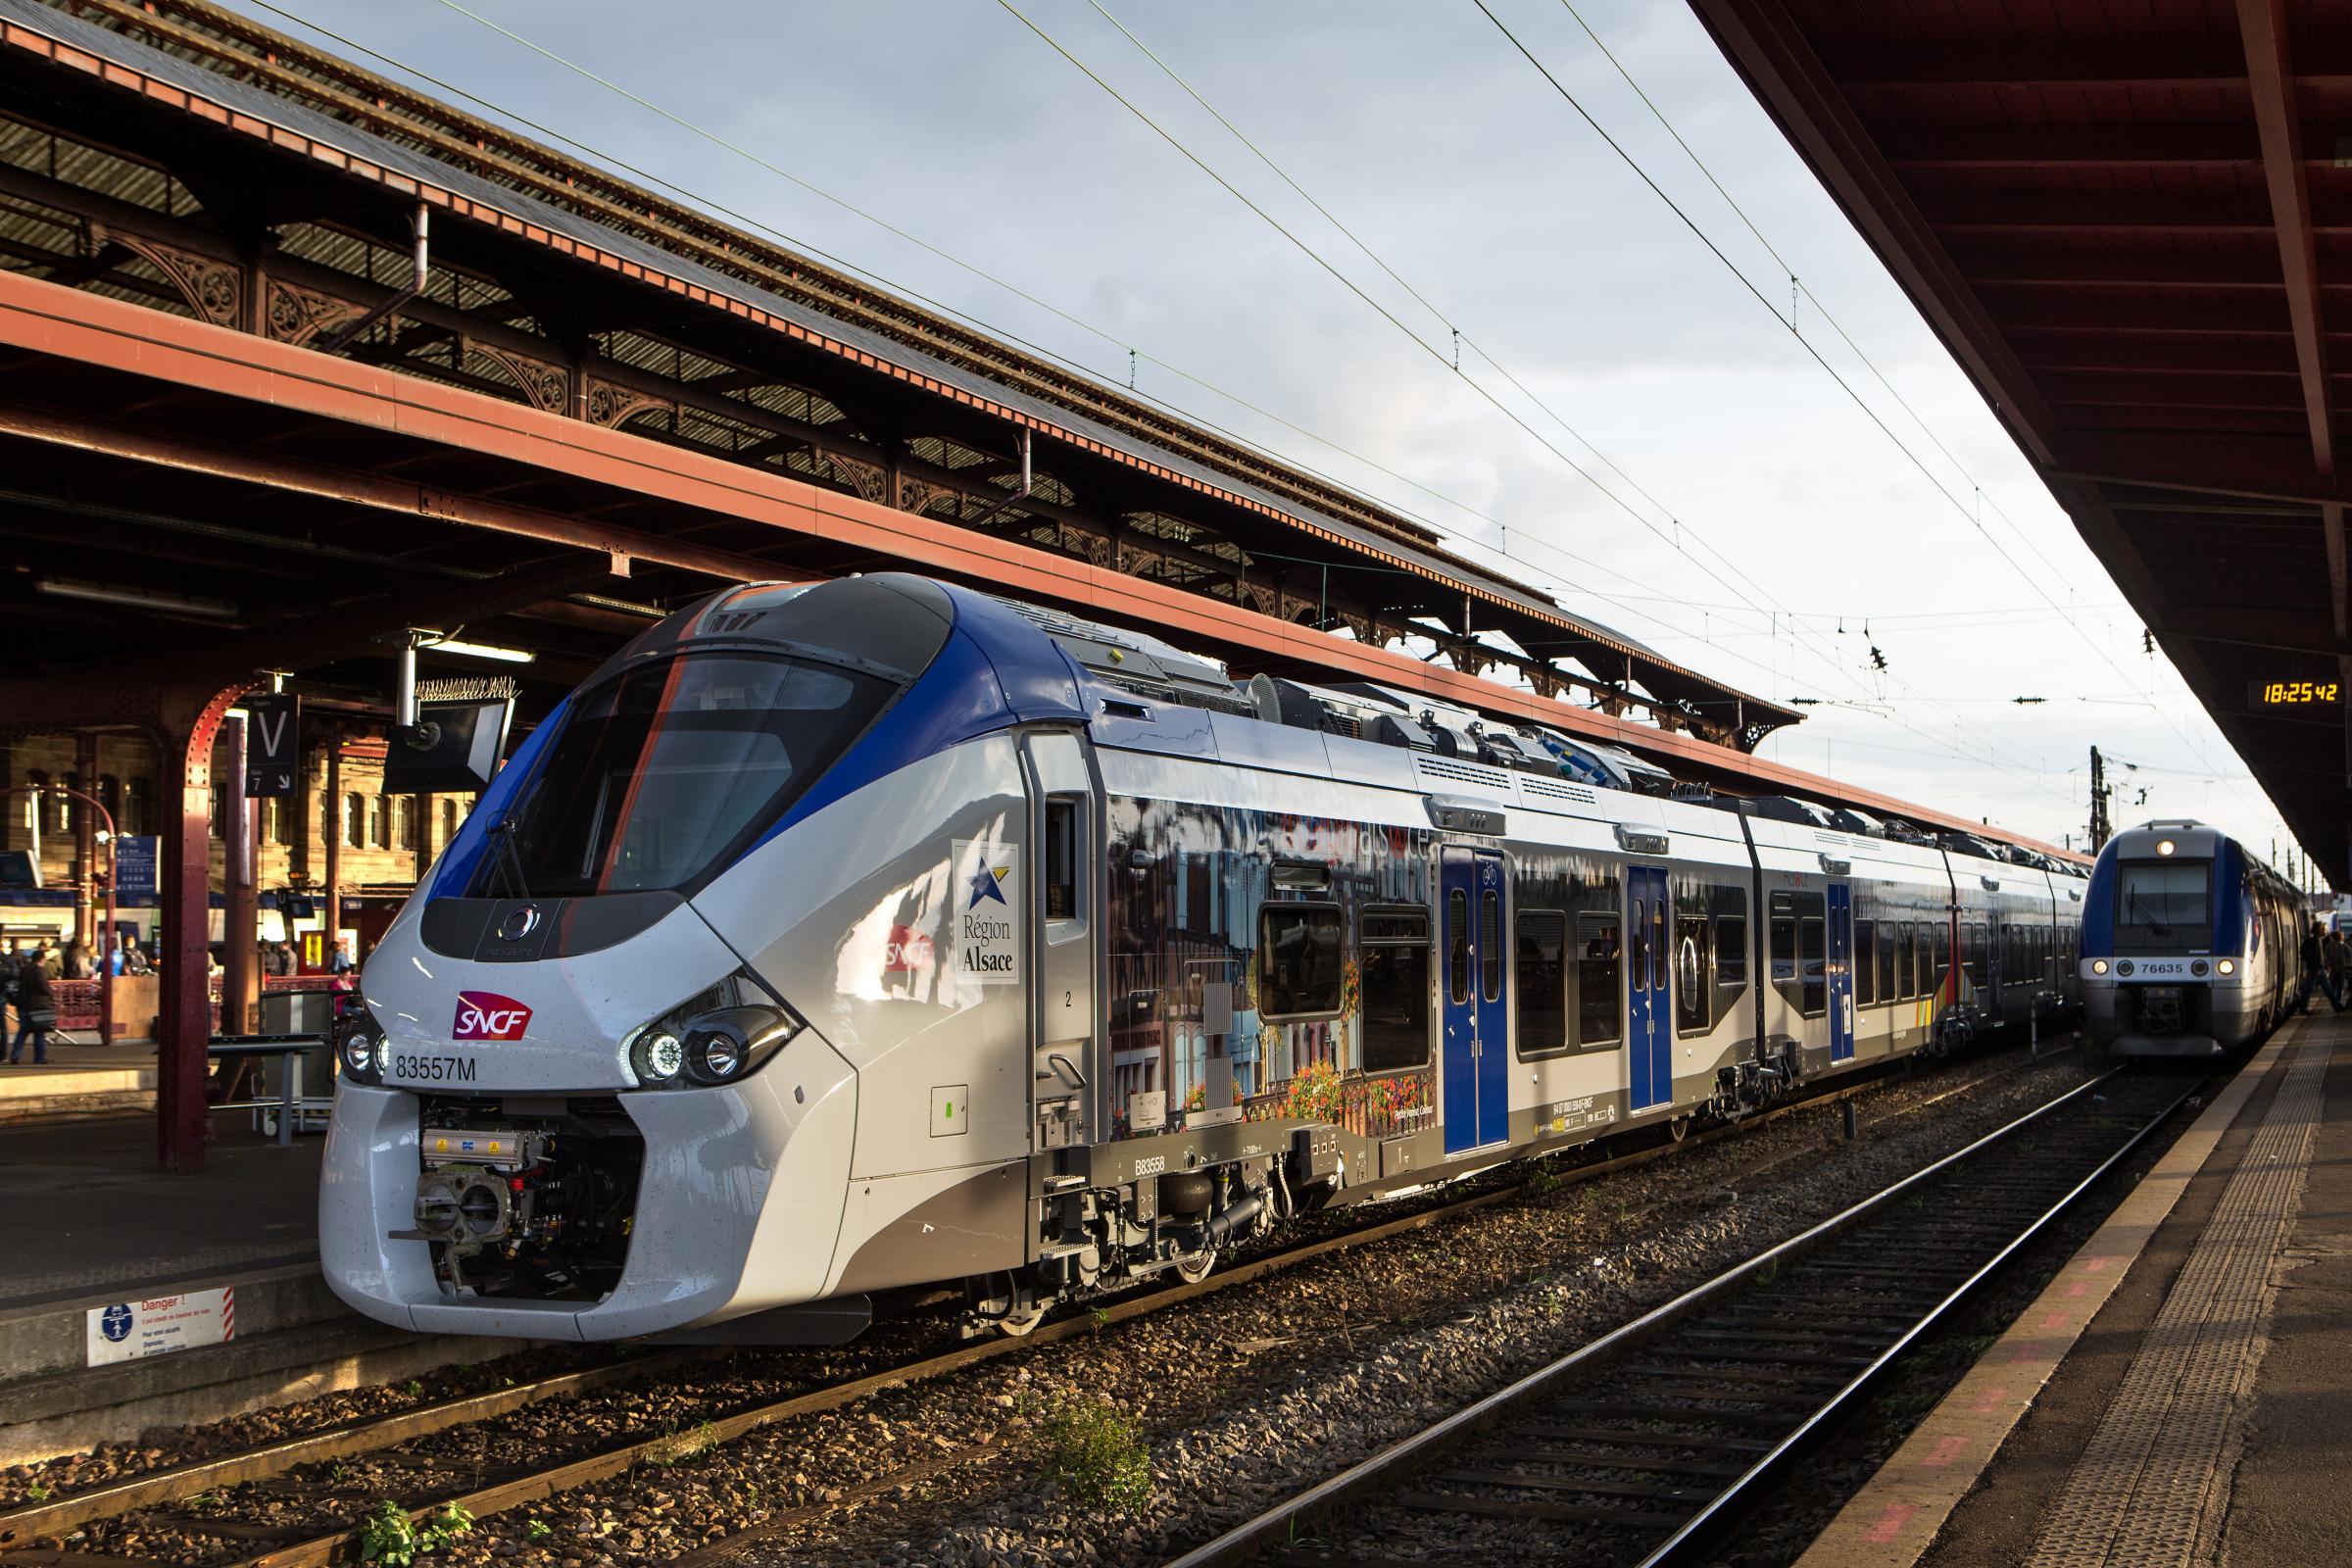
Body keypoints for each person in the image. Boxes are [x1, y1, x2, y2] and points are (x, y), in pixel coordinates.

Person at [11, 956, 54, 1064]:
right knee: (39, 1032)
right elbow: (44, 988)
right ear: (42, 959)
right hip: (37, 1005)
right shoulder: (39, 971)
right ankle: (39, 1057)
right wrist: (51, 994)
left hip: (23, 1004)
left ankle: (15, 1055)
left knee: (22, 1032)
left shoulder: (24, 970)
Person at [2297, 920, 2327, 1014]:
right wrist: (2317, 967)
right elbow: (2315, 956)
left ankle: (2303, 1008)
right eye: (2323, 930)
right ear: (2319, 930)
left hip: (2315, 967)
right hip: (2316, 968)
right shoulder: (2315, 941)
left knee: (2309, 989)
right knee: (2324, 989)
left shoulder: (2315, 940)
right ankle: (2303, 1008)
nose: (2325, 932)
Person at [2326, 925, 2350, 1012]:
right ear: (2340, 937)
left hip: (2333, 969)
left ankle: (2335, 1003)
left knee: (2332, 987)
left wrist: (2329, 965)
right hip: (2342, 969)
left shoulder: (2328, 946)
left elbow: (2326, 957)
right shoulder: (2344, 946)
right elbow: (2350, 955)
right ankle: (2338, 1002)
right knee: (2340, 987)